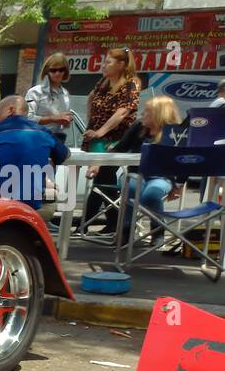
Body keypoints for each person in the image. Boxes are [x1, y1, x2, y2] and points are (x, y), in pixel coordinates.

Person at [86, 95, 183, 248]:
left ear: (159, 114)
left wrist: (178, 185)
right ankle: (125, 230)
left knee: (152, 194)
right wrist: (98, 163)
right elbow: (120, 149)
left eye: (147, 112)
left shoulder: (174, 133)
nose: (141, 115)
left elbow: (182, 162)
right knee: (131, 188)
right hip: (136, 173)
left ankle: (157, 231)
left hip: (161, 176)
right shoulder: (138, 127)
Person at [0, 95, 69, 209]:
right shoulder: (44, 132)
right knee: (51, 198)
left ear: (11, 110)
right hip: (29, 207)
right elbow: (64, 155)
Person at [82, 48, 141, 233]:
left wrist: (100, 131)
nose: (104, 65)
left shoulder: (131, 84)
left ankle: (85, 222)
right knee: (103, 180)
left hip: (117, 140)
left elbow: (123, 112)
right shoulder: (104, 82)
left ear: (121, 65)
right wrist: (91, 122)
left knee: (102, 177)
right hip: (98, 138)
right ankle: (114, 223)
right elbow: (91, 97)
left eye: (108, 62)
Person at [25, 53, 72, 140]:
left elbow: (63, 125)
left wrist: (66, 121)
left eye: (61, 70)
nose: (57, 73)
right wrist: (53, 118)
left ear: (65, 71)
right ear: (47, 71)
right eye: (53, 70)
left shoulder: (65, 94)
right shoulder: (35, 91)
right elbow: (27, 118)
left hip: (58, 139)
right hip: (37, 138)